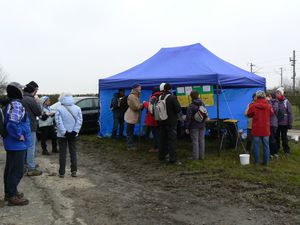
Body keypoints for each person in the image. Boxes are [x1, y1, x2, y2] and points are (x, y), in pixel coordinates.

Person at [3, 82, 31, 206]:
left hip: (12, 143)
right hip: (16, 144)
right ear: (17, 91)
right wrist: (19, 135)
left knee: (10, 169)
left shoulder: (11, 103)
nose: (22, 91)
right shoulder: (17, 105)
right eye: (21, 89)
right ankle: (11, 196)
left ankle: (10, 192)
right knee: (17, 170)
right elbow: (12, 123)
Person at [55, 93, 83, 178]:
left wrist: (65, 132)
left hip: (62, 135)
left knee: (62, 154)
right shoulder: (77, 108)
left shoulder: (59, 109)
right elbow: (79, 121)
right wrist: (75, 131)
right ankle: (74, 171)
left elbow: (58, 122)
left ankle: (61, 172)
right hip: (74, 135)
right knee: (73, 152)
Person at [247, 91, 273, 166]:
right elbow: (272, 113)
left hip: (256, 129)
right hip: (265, 129)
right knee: (266, 146)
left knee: (256, 145)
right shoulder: (268, 105)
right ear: (264, 97)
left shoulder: (253, 105)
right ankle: (266, 162)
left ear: (257, 97)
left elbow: (249, 114)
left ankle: (256, 162)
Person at [22, 81, 43, 176]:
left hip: (23, 127)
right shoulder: (31, 100)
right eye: (36, 90)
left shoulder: (22, 98)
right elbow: (39, 112)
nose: (37, 92)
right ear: (33, 90)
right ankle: (31, 168)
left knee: (26, 147)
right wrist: (38, 102)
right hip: (30, 127)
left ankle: (26, 165)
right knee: (31, 147)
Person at [158, 83, 181, 164]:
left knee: (162, 139)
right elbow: (178, 109)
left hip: (162, 121)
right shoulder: (172, 98)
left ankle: (162, 156)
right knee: (172, 141)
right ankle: (173, 159)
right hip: (171, 122)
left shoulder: (160, 97)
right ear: (170, 89)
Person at [185, 90, 206, 160]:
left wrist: (187, 127)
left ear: (191, 97)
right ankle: (202, 156)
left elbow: (188, 117)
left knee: (195, 141)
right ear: (198, 95)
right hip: (202, 125)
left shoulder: (191, 106)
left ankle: (195, 157)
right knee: (202, 140)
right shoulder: (202, 104)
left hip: (194, 126)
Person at [124, 84, 143, 150]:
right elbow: (135, 107)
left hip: (133, 116)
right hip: (130, 117)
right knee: (129, 132)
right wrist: (142, 105)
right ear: (135, 88)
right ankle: (130, 146)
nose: (140, 88)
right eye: (139, 87)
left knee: (130, 131)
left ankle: (130, 145)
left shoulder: (136, 95)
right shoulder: (131, 96)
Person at [275, 87, 293, 155]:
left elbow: (290, 113)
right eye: (276, 93)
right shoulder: (275, 101)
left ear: (282, 94)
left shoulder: (286, 102)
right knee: (276, 137)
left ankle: (286, 150)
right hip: (276, 123)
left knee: (284, 137)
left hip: (284, 123)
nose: (277, 94)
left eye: (278, 93)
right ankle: (277, 149)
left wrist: (290, 123)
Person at [143, 87, 161, 153]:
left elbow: (150, 108)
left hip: (153, 119)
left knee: (156, 134)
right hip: (159, 118)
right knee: (158, 133)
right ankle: (159, 147)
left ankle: (157, 148)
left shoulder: (153, 97)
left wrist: (145, 103)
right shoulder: (160, 96)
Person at [266, 93, 279, 158]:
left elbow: (273, 111)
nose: (269, 97)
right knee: (269, 138)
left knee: (272, 138)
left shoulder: (275, 102)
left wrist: (269, 101)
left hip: (273, 123)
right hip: (268, 123)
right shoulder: (270, 102)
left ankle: (274, 152)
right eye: (268, 96)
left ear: (273, 97)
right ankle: (270, 153)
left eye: (270, 96)